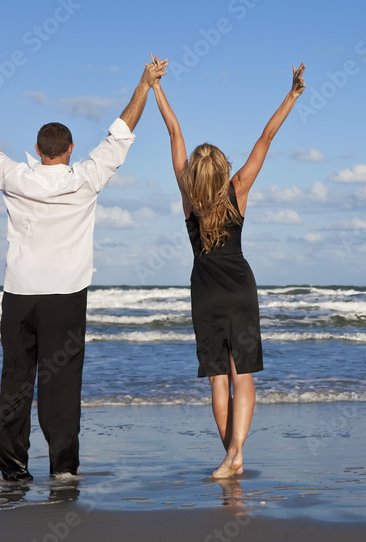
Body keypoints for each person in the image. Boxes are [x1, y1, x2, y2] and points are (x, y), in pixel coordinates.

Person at [0, 58, 167, 480]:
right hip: (65, 295)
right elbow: (122, 131)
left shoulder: (15, 177)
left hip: (20, 293)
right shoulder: (86, 178)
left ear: (37, 149)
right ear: (70, 149)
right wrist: (144, 85)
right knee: (61, 382)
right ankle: (63, 469)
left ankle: (13, 469)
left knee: (16, 379)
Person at [151, 56, 305, 478]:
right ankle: (234, 454)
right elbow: (266, 137)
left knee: (219, 379)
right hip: (240, 290)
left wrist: (156, 86)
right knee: (243, 376)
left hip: (204, 293)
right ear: (223, 169)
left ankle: (231, 457)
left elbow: (174, 131)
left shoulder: (189, 199)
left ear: (195, 175)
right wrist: (292, 94)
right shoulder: (238, 189)